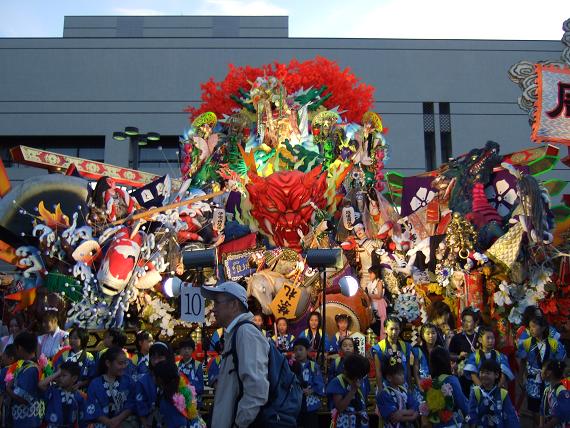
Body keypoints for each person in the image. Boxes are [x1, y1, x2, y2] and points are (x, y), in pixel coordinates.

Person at [200, 280, 270, 428]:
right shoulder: (235, 333)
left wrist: (239, 423)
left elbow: (257, 389)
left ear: (233, 304)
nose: (213, 309)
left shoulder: (246, 333)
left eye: (217, 303)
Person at [516, 316, 566, 423]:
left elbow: (560, 360)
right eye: (530, 327)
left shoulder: (553, 343)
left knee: (549, 408)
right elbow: (523, 361)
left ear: (543, 328)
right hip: (533, 381)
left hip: (549, 381)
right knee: (534, 409)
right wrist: (520, 377)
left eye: (534, 326)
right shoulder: (527, 342)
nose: (531, 329)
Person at [85, 346, 136, 427]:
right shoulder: (95, 384)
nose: (123, 366)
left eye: (125, 362)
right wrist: (108, 422)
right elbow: (92, 407)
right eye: (120, 363)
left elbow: (132, 403)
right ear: (108, 363)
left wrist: (118, 419)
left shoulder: (129, 381)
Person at [5, 331, 44, 427]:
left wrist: (8, 389)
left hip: (28, 421)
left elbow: (24, 398)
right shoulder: (25, 366)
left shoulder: (30, 369)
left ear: (19, 348)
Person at [152, 360, 206, 428]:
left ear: (160, 379)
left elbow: (180, 424)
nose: (152, 378)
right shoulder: (182, 391)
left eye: (154, 375)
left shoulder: (168, 401)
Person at [466, 359, 519, 427]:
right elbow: (471, 412)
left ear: (496, 375)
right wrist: (473, 423)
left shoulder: (503, 393)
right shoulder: (476, 391)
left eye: (487, 373)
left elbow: (510, 415)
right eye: (482, 372)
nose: (484, 375)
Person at [136, 342, 176, 428]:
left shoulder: (177, 377)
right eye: (153, 358)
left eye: (160, 357)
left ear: (167, 358)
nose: (156, 361)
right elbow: (140, 406)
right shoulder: (143, 381)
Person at [426, 347, 469, 427]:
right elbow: (462, 403)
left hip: (437, 424)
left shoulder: (430, 383)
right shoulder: (452, 380)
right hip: (453, 422)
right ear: (446, 361)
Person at [463, 325, 514, 389]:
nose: (491, 341)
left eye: (493, 338)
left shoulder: (500, 356)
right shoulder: (474, 356)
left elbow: (504, 374)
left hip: (497, 389)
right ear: (480, 340)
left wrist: (496, 388)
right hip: (479, 389)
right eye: (488, 338)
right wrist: (482, 389)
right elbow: (473, 375)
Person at [327, 353, 371, 428]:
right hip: (345, 422)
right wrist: (353, 390)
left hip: (361, 422)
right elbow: (340, 408)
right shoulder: (337, 381)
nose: (361, 377)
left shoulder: (362, 379)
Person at [38, 360, 86, 428]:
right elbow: (41, 385)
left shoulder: (78, 396)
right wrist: (57, 373)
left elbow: (82, 420)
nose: (60, 378)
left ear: (74, 378)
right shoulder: (53, 391)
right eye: (59, 375)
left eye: (64, 376)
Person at [371, 316, 412, 392]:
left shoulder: (405, 346)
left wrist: (409, 386)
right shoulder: (379, 347)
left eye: (396, 329)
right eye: (391, 329)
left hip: (403, 385)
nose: (394, 332)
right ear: (385, 329)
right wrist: (380, 389)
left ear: (400, 330)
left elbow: (408, 367)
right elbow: (378, 370)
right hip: (386, 386)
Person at [291, 337, 324, 427]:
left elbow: (320, 383)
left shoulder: (313, 366)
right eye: (295, 350)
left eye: (301, 349)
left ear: (307, 351)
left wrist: (311, 390)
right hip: (295, 403)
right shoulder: (291, 366)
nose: (298, 352)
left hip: (310, 404)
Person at [448, 307, 481, 396]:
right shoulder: (456, 338)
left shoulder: (481, 337)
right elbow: (450, 355)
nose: (466, 324)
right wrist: (459, 356)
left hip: (479, 373)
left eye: (469, 321)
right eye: (464, 321)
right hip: (462, 375)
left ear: (475, 323)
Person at [376, 360, 418, 428]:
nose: (403, 376)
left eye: (403, 373)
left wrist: (402, 412)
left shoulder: (404, 390)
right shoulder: (384, 394)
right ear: (389, 378)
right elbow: (394, 416)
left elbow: (415, 406)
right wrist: (412, 415)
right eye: (399, 374)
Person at [53, 325, 96, 390]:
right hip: (63, 388)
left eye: (75, 338)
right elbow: (57, 371)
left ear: (83, 340)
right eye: (70, 338)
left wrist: (81, 383)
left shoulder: (89, 357)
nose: (71, 340)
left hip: (81, 390)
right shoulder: (64, 354)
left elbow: (92, 377)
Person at [412, 323, 442, 402]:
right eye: (428, 333)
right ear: (422, 335)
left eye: (433, 333)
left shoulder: (440, 350)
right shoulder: (418, 350)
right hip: (423, 384)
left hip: (439, 384)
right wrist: (420, 385)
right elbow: (416, 370)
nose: (431, 336)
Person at [540, 360, 570, 428]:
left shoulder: (562, 392)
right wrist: (541, 424)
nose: (541, 371)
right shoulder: (547, 390)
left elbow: (561, 415)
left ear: (548, 373)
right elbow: (542, 410)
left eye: (543, 369)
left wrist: (546, 426)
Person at [177, 339, 204, 407]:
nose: (186, 351)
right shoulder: (176, 365)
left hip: (194, 402)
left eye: (189, 349)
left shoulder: (198, 365)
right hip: (179, 402)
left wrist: (189, 385)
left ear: (192, 350)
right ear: (180, 351)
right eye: (184, 349)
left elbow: (201, 387)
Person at [366, 264, 388, 339]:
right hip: (371, 304)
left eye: (371, 273)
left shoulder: (379, 282)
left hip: (378, 304)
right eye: (369, 273)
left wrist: (368, 295)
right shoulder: (370, 283)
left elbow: (379, 296)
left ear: (376, 273)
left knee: (381, 322)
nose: (370, 275)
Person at [0, 343, 17, 427]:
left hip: (6, 404)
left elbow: (1, 392)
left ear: (11, 358)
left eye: (4, 355)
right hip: (17, 406)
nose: (2, 357)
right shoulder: (21, 368)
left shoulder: (5, 370)